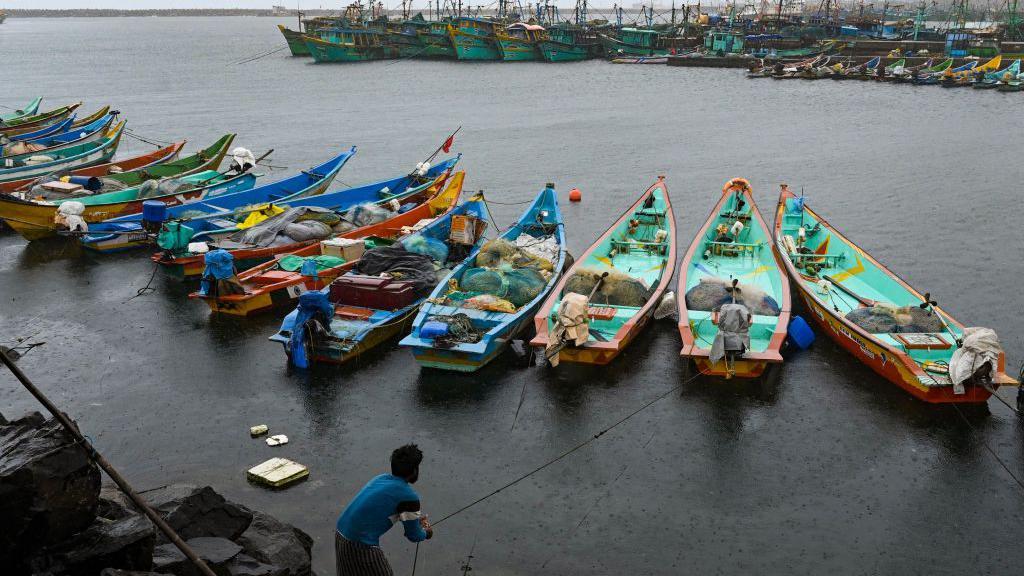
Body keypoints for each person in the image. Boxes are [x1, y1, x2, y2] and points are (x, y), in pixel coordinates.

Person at [335, 444, 433, 576]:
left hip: (341, 532)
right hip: (360, 543)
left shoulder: (380, 478)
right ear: (414, 470)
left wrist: (416, 521)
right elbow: (414, 535)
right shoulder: (409, 497)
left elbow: (384, 508)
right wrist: (427, 532)